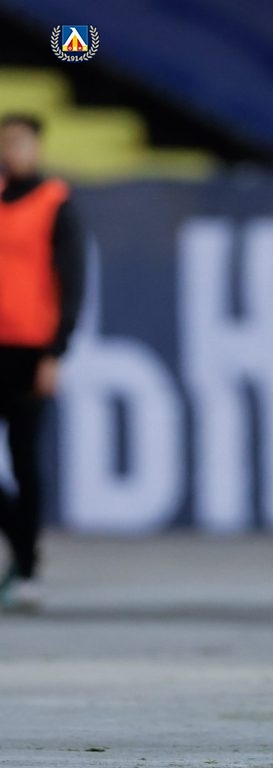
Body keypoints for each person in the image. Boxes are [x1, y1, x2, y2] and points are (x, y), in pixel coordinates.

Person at [0, 113, 84, 612]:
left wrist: (56, 351)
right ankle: (23, 546)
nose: (13, 151)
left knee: (24, 459)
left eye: (21, 142)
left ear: (37, 146)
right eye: (7, 142)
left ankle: (28, 569)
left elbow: (72, 282)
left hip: (31, 351)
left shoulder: (55, 202)